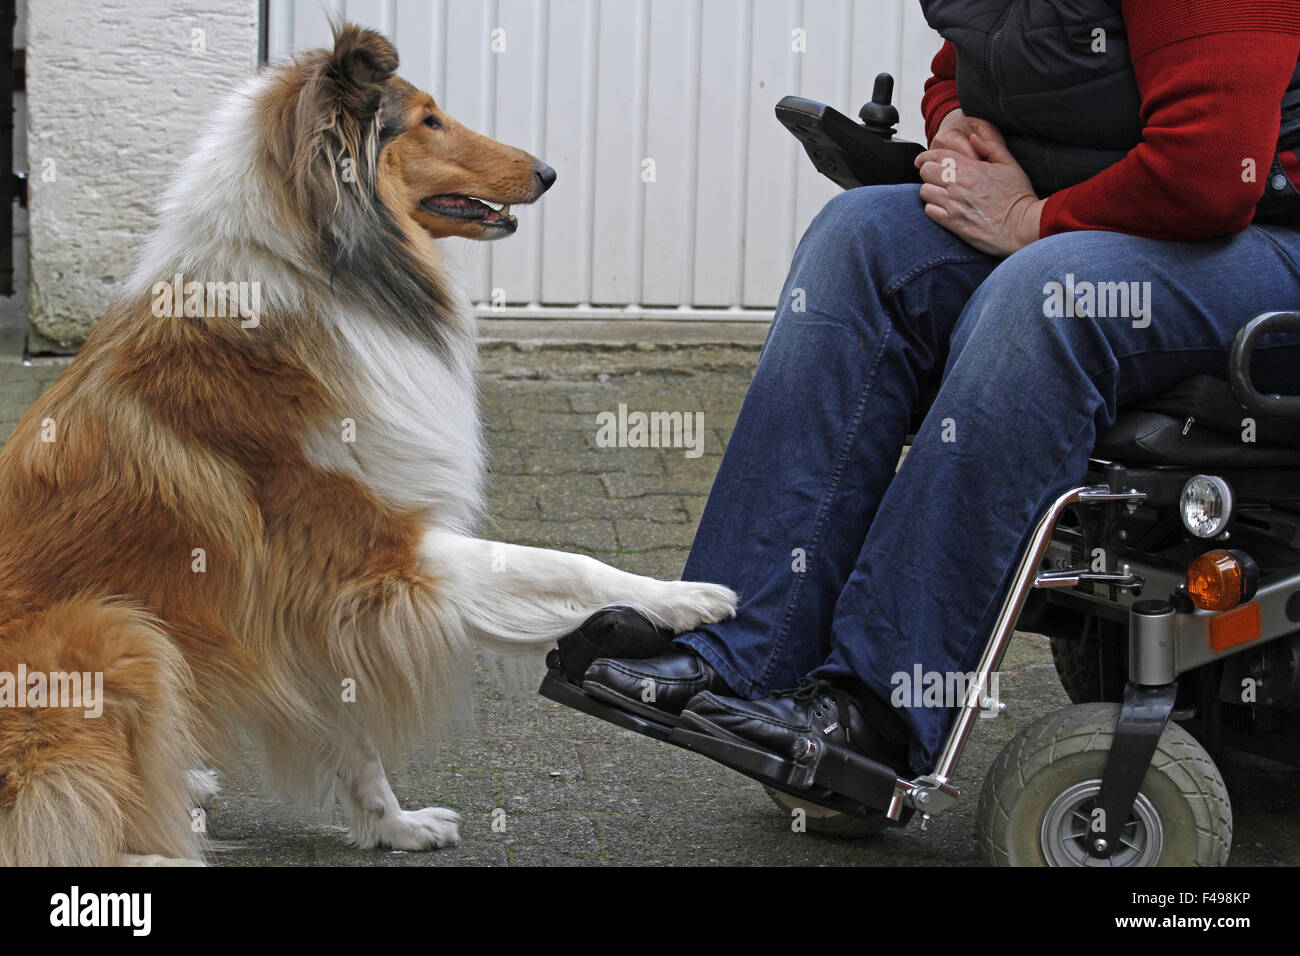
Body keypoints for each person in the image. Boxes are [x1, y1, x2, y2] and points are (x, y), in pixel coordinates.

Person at [578, 0, 1300, 786]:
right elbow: (964, 65)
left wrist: (1031, 219)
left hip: (1260, 238)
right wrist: (955, 123)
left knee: (1045, 296)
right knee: (859, 237)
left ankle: (875, 714)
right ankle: (738, 645)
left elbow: (1209, 171)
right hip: (1109, 223)